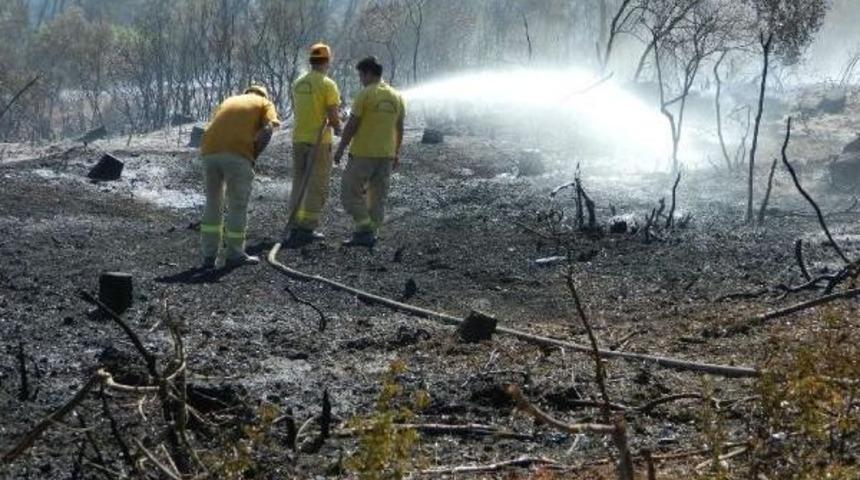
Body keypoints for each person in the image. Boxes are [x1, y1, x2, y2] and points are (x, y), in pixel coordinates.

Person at [198, 85, 280, 268]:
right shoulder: (264, 103)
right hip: (237, 154)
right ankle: (234, 253)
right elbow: (268, 129)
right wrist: (253, 156)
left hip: (209, 151)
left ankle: (208, 256)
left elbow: (215, 126)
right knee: (237, 204)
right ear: (263, 95)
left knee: (213, 203)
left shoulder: (229, 101)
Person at [334, 56, 406, 248]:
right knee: (378, 196)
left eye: (361, 75)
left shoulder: (365, 94)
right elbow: (400, 128)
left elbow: (352, 125)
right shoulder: (397, 96)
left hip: (364, 154)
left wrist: (340, 149)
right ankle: (370, 234)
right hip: (386, 156)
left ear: (368, 73)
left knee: (349, 192)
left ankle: (364, 228)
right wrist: (396, 152)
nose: (360, 79)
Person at [283, 43, 342, 248]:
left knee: (299, 182)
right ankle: (307, 227)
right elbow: (333, 118)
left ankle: (295, 222)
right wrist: (340, 126)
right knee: (316, 184)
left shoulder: (298, 83)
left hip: (299, 139)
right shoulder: (328, 84)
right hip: (319, 142)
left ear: (311, 61)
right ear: (327, 61)